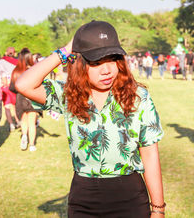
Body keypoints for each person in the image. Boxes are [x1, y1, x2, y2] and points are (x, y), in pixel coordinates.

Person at [15, 21, 165, 217]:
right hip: (83, 198)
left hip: (130, 197)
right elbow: (24, 84)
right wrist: (67, 49)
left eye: (112, 60)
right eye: (96, 62)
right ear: (80, 63)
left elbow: (150, 154)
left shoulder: (138, 97)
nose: (107, 70)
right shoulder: (68, 95)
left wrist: (158, 209)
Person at [10, 48, 43, 152]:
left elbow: (12, 87)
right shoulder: (34, 70)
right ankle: (32, 144)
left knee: (23, 121)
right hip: (32, 98)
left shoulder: (16, 71)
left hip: (20, 98)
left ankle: (24, 136)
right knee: (32, 123)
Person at [0, 47, 19, 131]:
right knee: (15, 105)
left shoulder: (0, 62)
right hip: (14, 85)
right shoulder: (17, 62)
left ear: (6, 52)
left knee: (7, 106)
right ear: (14, 53)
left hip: (4, 85)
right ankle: (18, 121)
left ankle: (11, 124)